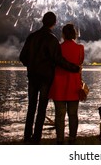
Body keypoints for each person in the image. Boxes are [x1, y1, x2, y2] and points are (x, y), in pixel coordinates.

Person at [19, 12, 80, 144]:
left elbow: (22, 57)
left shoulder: (32, 37)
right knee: (41, 109)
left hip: (32, 77)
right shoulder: (52, 39)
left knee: (31, 108)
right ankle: (36, 138)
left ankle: (26, 137)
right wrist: (74, 68)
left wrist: (31, 65)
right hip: (46, 79)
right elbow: (59, 60)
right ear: (54, 23)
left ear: (42, 21)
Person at [49, 23, 85, 145]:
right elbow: (80, 64)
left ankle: (59, 140)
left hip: (59, 85)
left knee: (59, 115)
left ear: (63, 35)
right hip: (74, 86)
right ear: (74, 34)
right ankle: (72, 139)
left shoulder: (58, 48)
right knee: (73, 115)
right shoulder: (80, 48)